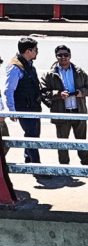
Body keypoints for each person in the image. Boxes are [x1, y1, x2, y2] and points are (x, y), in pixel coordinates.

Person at [40, 44, 88, 166]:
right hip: (61, 113)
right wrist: (58, 94)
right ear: (56, 56)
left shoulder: (79, 72)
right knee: (62, 143)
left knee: (82, 141)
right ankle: (64, 167)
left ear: (70, 56)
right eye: (60, 55)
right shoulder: (49, 74)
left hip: (78, 111)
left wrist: (81, 93)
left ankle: (85, 164)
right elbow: (43, 92)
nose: (63, 57)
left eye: (66, 55)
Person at [4, 37, 42, 165]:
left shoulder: (28, 64)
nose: (37, 52)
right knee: (31, 135)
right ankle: (37, 166)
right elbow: (9, 90)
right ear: (28, 51)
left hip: (33, 106)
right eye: (35, 50)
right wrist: (12, 111)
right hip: (24, 108)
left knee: (34, 134)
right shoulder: (15, 67)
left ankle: (29, 159)